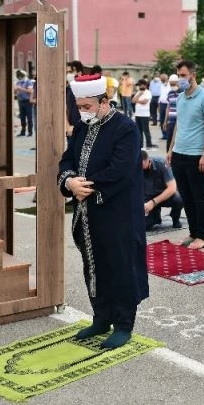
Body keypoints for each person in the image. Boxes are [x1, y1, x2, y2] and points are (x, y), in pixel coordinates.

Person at [58, 74, 148, 349]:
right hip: (88, 214)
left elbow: (119, 170)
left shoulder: (125, 128)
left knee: (120, 266)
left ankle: (123, 325)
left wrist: (86, 186)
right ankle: (101, 317)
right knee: (93, 266)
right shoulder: (82, 126)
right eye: (79, 106)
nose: (81, 111)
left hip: (117, 213)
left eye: (86, 106)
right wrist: (69, 181)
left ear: (103, 102)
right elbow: (67, 159)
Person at [166, 60, 204, 250]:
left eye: (183, 75)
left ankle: (202, 236)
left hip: (196, 156)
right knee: (186, 197)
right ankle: (193, 232)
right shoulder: (180, 98)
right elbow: (179, 125)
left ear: (193, 75)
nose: (180, 79)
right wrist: (171, 149)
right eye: (178, 75)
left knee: (199, 197)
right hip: (179, 154)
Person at [141, 150, 184, 231]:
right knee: (145, 227)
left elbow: (172, 188)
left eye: (143, 167)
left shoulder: (161, 163)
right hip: (147, 197)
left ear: (149, 161)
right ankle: (155, 217)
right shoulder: (134, 167)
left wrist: (153, 202)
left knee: (179, 198)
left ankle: (175, 216)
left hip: (164, 195)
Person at [132, 79, 155, 149]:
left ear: (144, 85)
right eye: (138, 85)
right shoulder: (138, 92)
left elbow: (144, 102)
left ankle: (149, 143)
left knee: (146, 130)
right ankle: (140, 144)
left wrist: (137, 100)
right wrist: (138, 95)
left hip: (145, 114)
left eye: (140, 85)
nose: (139, 86)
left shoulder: (148, 92)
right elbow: (133, 101)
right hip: (137, 114)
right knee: (139, 131)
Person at [162, 74, 180, 152]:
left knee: (177, 140)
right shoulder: (170, 93)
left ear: (177, 83)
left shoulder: (182, 93)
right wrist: (165, 121)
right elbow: (168, 107)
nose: (172, 85)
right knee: (169, 139)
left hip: (179, 120)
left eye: (174, 84)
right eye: (171, 84)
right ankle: (168, 155)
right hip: (171, 120)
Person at [15, 70, 33, 137]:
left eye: (20, 77)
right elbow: (15, 91)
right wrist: (15, 89)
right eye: (18, 77)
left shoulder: (28, 82)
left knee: (29, 117)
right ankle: (23, 131)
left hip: (27, 101)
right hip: (20, 101)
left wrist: (21, 88)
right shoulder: (18, 82)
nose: (19, 78)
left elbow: (30, 91)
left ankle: (30, 132)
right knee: (22, 117)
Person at [157, 74, 170, 139]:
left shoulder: (170, 85)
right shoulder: (161, 85)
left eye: (162, 79)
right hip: (162, 104)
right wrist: (159, 105)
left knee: (167, 119)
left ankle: (168, 134)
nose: (161, 80)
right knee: (162, 119)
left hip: (168, 104)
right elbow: (161, 95)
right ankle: (164, 134)